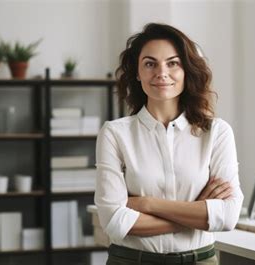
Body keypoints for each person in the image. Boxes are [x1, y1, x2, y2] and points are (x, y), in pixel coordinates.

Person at [95, 23, 244, 265]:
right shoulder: (115, 134)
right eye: (150, 63)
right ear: (137, 72)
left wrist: (146, 204)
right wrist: (197, 211)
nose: (161, 72)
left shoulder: (217, 132)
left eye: (173, 63)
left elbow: (227, 217)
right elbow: (113, 221)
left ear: (186, 70)